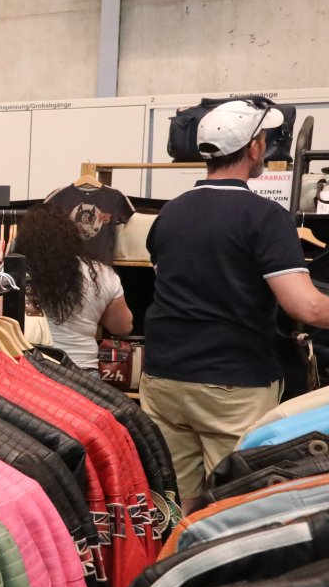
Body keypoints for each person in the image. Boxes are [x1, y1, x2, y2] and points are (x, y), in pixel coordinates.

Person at [141, 98, 329, 502]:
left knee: (175, 500)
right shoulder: (265, 216)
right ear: (255, 148)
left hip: (163, 378)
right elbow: (306, 306)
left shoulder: (169, 214)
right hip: (232, 383)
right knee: (234, 501)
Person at [19, 203, 133, 371]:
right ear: (72, 235)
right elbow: (123, 327)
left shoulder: (12, 272)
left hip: (30, 371)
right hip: (83, 371)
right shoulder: (101, 274)